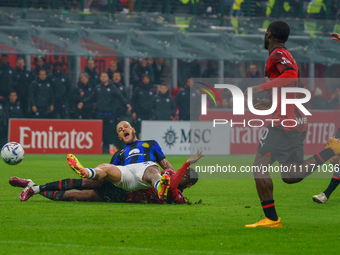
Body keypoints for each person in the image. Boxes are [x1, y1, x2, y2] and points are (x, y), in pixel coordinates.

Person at [244, 20, 340, 228]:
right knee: (290, 175)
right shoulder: (287, 55)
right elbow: (298, 87)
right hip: (296, 122)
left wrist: (260, 88)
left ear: (268, 33)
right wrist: (272, 103)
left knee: (259, 166)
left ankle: (271, 219)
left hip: (285, 123)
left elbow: (290, 77)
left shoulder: (277, 55)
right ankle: (330, 150)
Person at [11, 152, 200, 204]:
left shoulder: (177, 197)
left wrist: (186, 165)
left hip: (125, 196)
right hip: (130, 179)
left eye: (184, 177)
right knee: (86, 182)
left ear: (188, 185)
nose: (179, 176)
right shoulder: (169, 175)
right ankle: (36, 189)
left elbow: (173, 188)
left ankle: (33, 186)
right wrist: (184, 166)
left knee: (75, 196)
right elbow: (172, 179)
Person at [90, 72, 132, 152]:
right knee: (100, 133)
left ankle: (110, 148)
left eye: (105, 76)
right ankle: (101, 149)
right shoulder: (98, 88)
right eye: (102, 76)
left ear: (108, 78)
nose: (103, 78)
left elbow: (120, 96)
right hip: (99, 115)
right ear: (100, 78)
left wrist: (127, 103)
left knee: (110, 133)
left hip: (110, 115)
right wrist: (82, 102)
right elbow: (91, 97)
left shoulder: (112, 87)